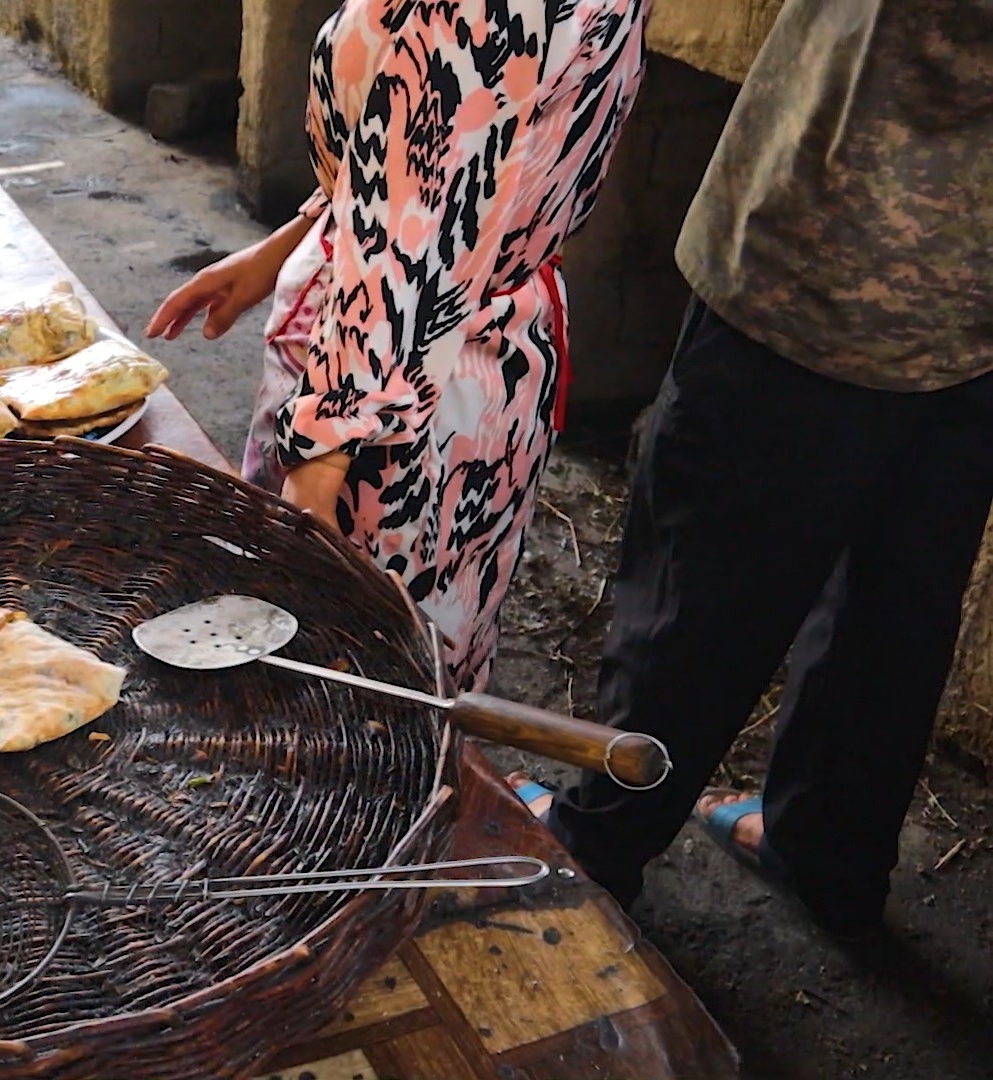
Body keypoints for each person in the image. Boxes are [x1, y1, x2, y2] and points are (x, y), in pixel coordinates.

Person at [510, 0, 993, 944]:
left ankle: (597, 847)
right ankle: (826, 851)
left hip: (829, 251)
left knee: (700, 583)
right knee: (899, 596)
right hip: (974, 302)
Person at [147, 0, 650, 693]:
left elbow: (418, 229)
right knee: (413, 666)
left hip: (397, 395)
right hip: (453, 361)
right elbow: (459, 150)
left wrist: (320, 459)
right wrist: (289, 242)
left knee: (347, 678)